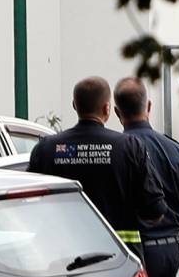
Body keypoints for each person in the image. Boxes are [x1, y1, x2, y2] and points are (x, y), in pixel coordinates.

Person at [29, 76, 168, 259]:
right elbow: (154, 210)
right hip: (120, 261)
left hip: (59, 259)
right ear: (107, 108)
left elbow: (28, 206)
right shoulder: (129, 147)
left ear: (74, 105)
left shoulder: (46, 149)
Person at [113, 77, 179, 277]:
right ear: (149, 106)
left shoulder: (115, 151)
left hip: (132, 253)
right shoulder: (176, 150)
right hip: (168, 254)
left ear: (115, 111)